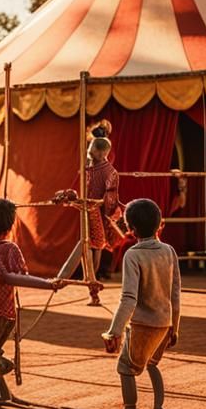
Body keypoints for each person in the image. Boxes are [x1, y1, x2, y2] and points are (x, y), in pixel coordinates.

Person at [0, 198, 66, 409]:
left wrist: (47, 284)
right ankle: (2, 391)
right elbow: (16, 276)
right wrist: (47, 283)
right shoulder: (10, 249)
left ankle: (2, 385)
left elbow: (7, 278)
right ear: (10, 225)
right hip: (6, 314)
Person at [98, 198, 180, 409]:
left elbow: (129, 299)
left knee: (125, 368)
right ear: (159, 224)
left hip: (143, 325)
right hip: (164, 323)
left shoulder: (133, 255)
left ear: (131, 229)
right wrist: (175, 325)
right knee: (153, 365)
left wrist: (113, 330)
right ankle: (158, 408)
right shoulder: (169, 251)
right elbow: (175, 293)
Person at [55, 120, 122, 305]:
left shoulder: (108, 171)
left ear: (101, 152)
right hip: (89, 211)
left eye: (93, 152)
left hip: (100, 214)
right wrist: (70, 197)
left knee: (94, 245)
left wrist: (100, 210)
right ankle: (89, 284)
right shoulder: (90, 169)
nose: (90, 155)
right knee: (90, 245)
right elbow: (84, 190)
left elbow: (109, 198)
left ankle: (90, 284)